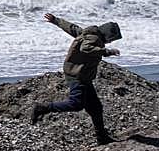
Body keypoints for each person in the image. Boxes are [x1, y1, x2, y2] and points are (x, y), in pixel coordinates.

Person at [30, 13, 122, 144]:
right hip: (77, 76)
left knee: (95, 107)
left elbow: (71, 28)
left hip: (82, 76)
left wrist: (56, 20)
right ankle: (42, 108)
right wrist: (107, 51)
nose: (110, 42)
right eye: (111, 39)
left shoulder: (87, 33)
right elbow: (87, 49)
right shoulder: (94, 39)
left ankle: (102, 138)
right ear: (107, 34)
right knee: (76, 104)